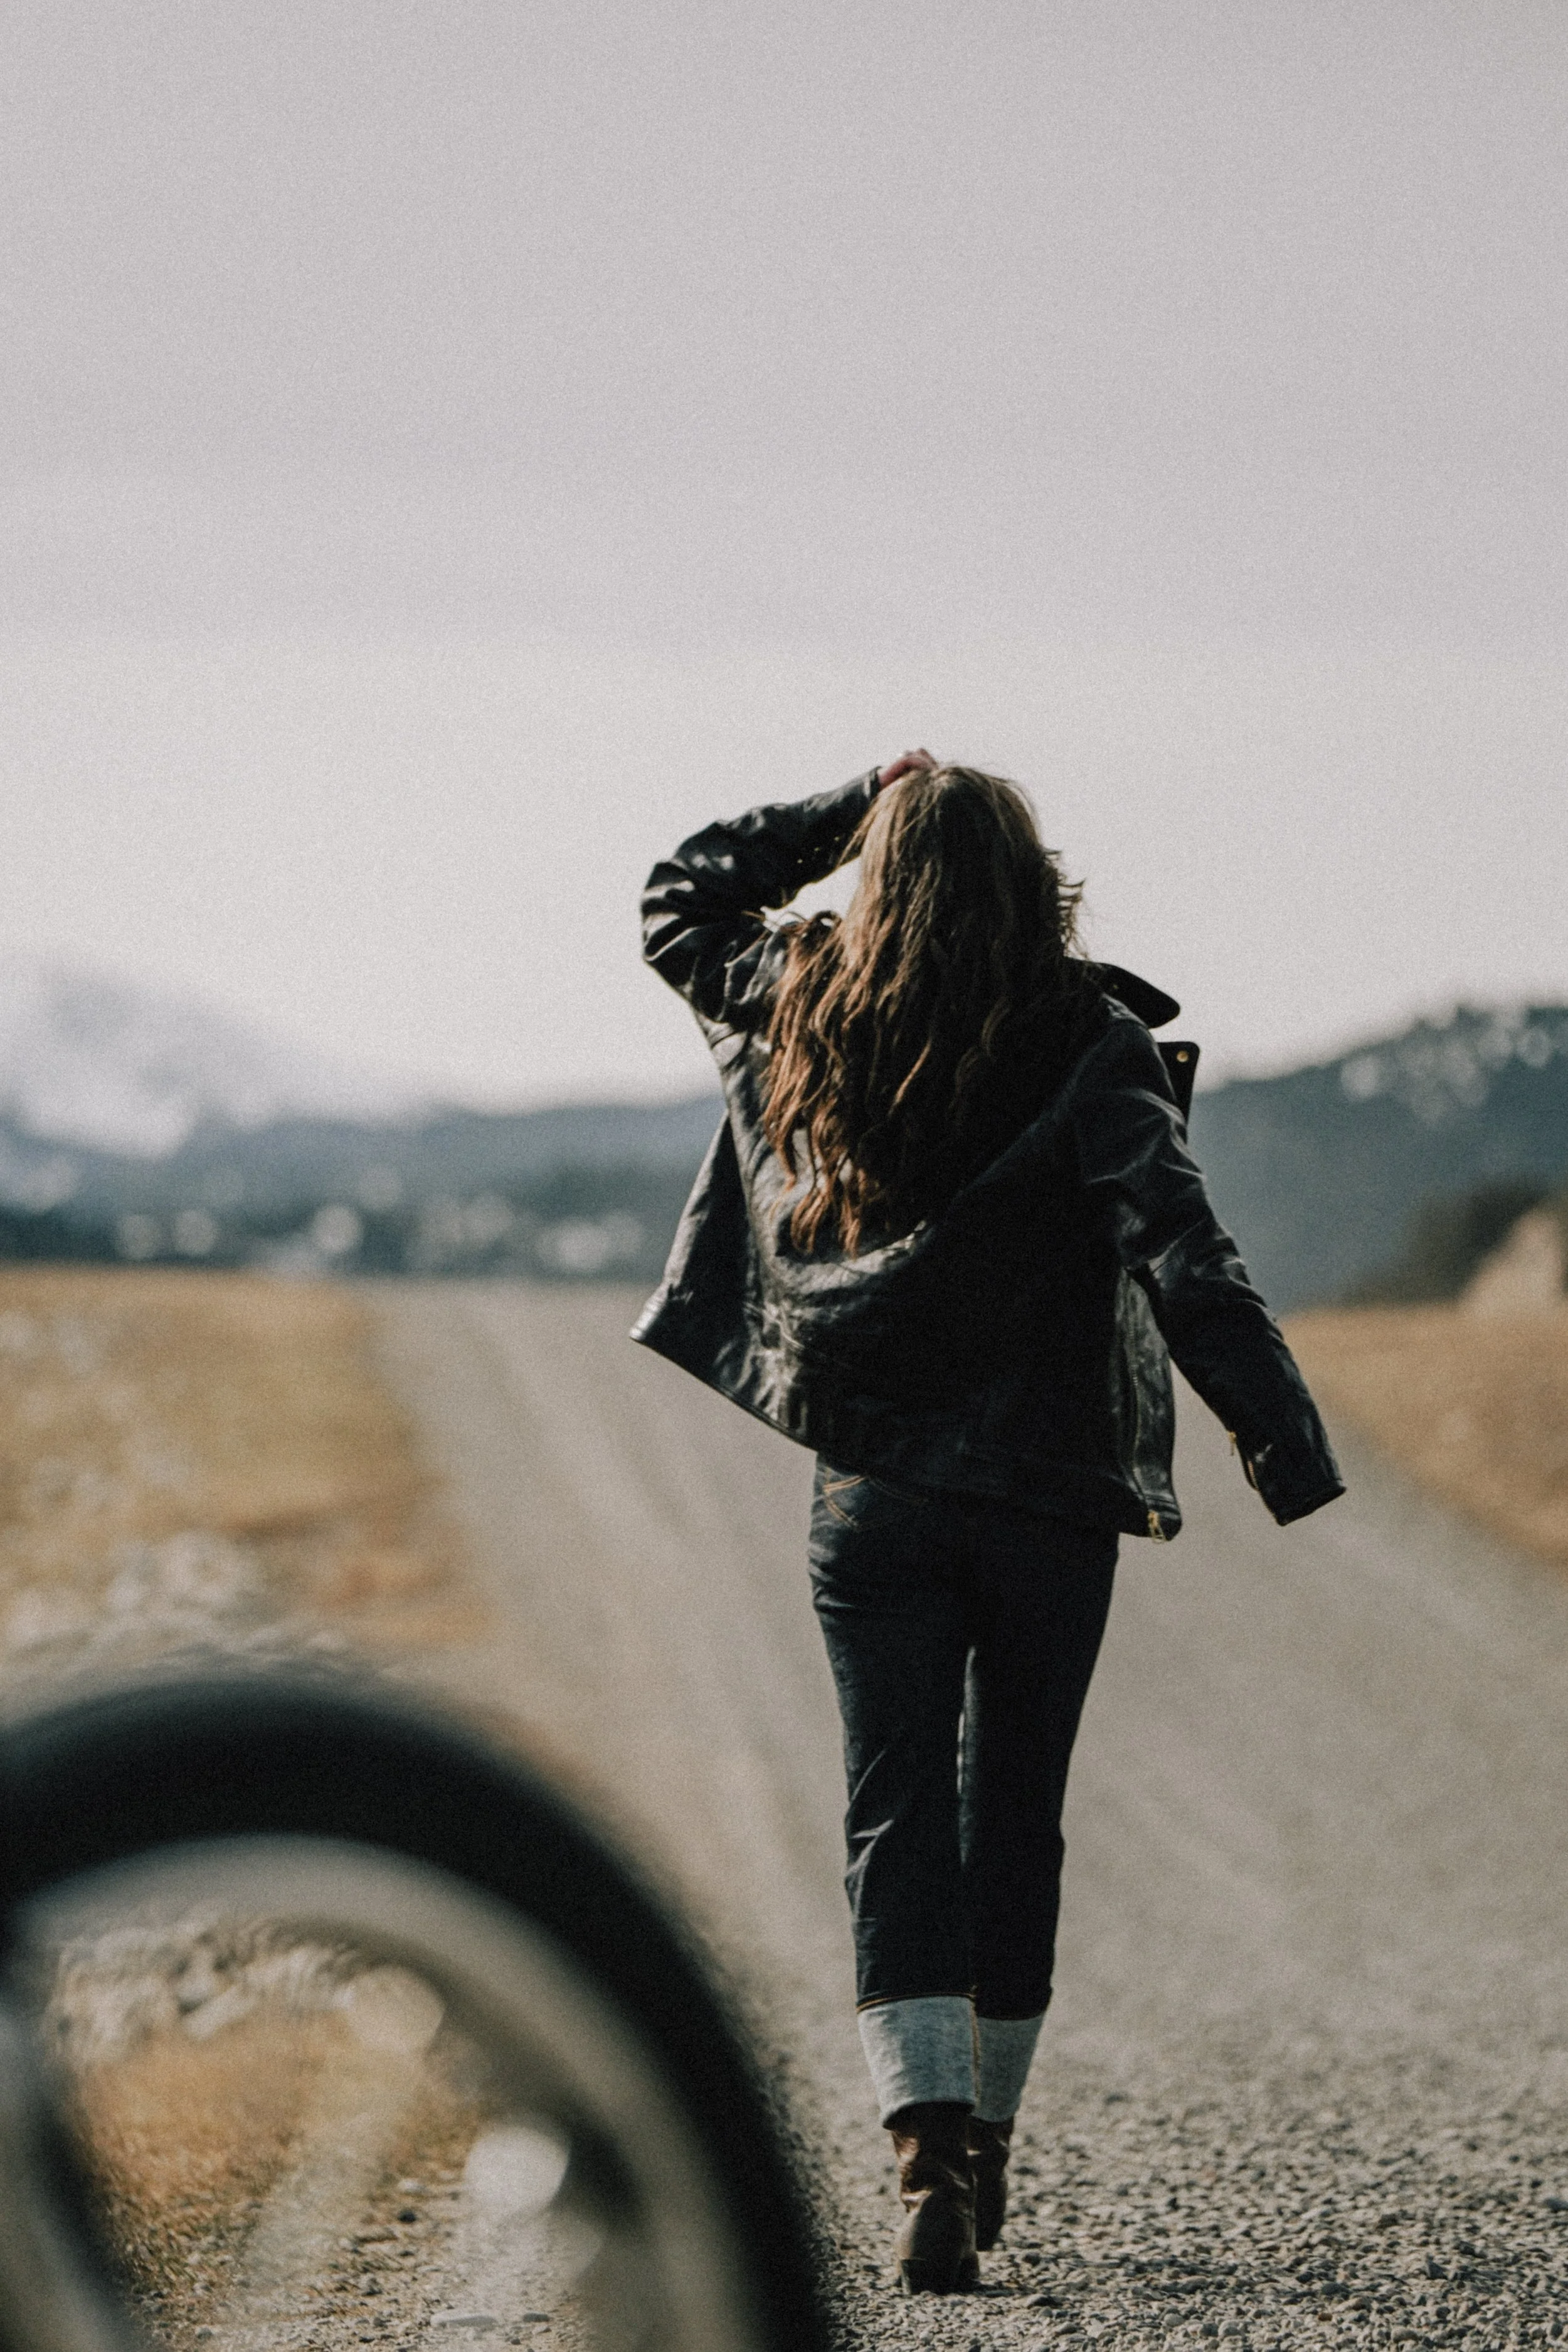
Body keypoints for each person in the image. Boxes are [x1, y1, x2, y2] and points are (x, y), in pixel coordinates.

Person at [633, 753, 1343, 2295]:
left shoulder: (804, 1002)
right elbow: (1186, 1255)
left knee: (892, 1813)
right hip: (1046, 1501)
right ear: (1034, 884)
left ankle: (925, 2159)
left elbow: (680, 894)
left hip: (872, 1494)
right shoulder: (1089, 1044)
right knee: (1014, 1810)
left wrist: (849, 805)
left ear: (877, 875)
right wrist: (1279, 1443)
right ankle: (991, 2141)